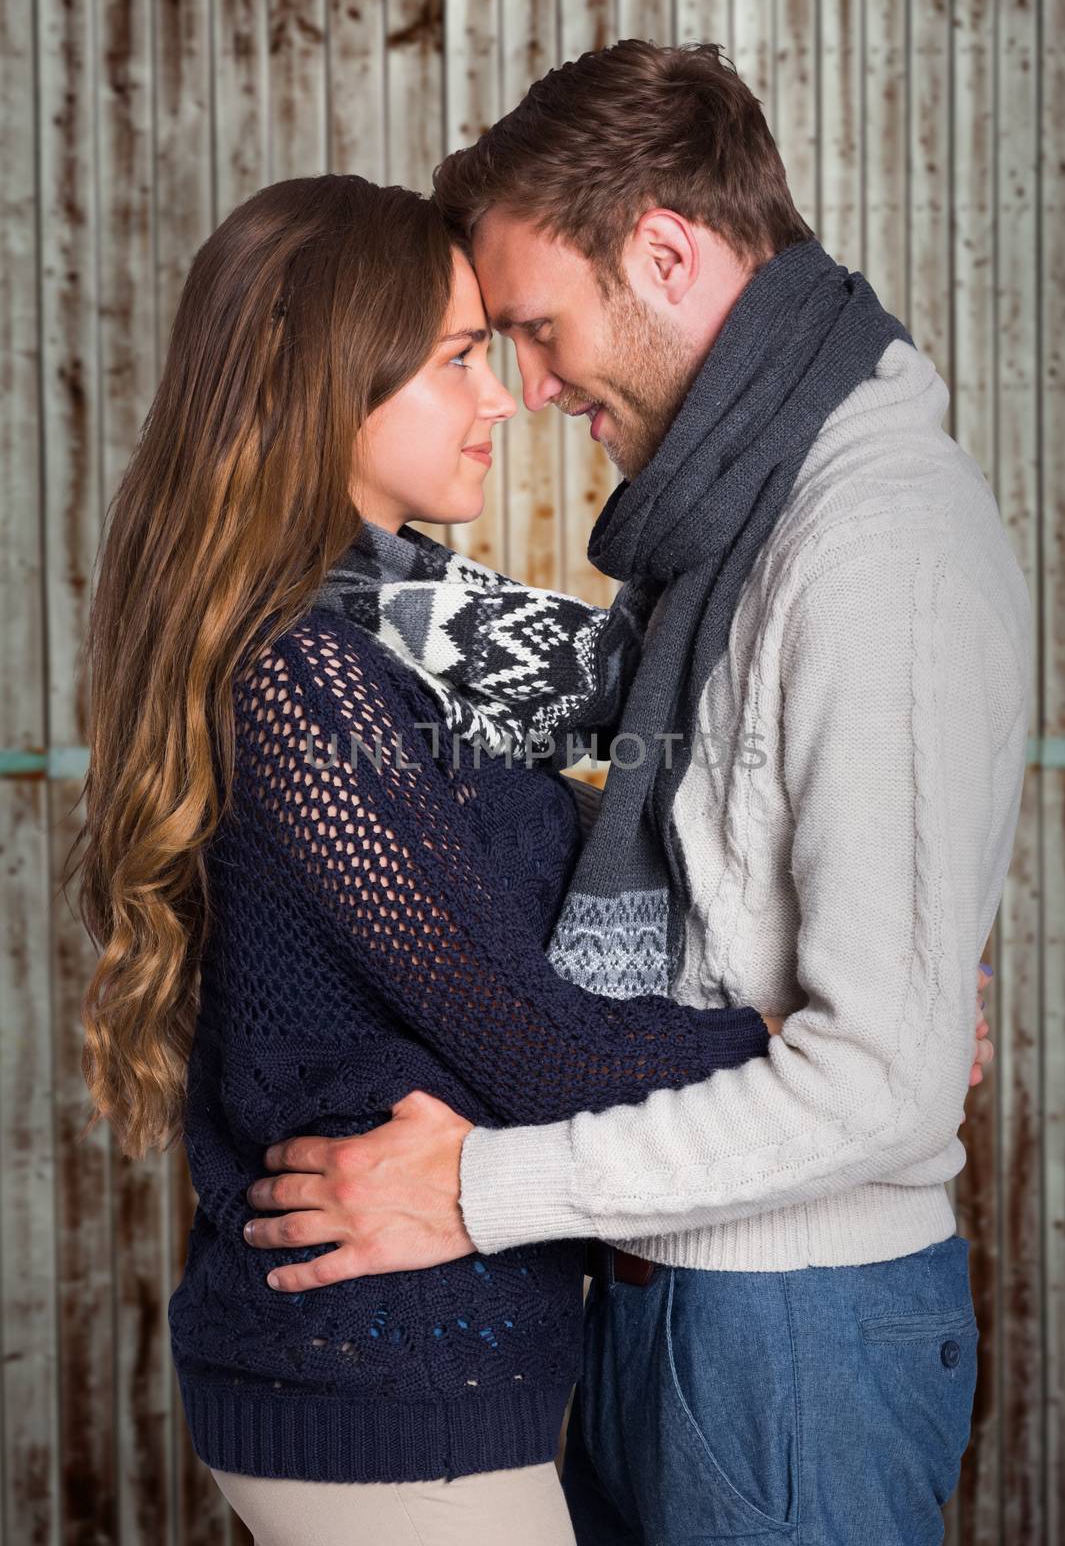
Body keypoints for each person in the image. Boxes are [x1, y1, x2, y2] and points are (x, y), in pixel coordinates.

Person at [242, 42, 1024, 1544]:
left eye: (530, 330)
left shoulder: (872, 553)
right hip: (658, 1298)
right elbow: (641, 844)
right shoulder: (733, 530)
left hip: (787, 1329)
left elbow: (877, 1082)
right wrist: (810, 1018)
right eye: (476, 352)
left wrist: (474, 1191)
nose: (527, 391)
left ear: (663, 251)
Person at [67, 168, 845, 1546]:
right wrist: (799, 1046)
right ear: (320, 385)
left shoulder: (405, 626)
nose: (500, 399)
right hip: (377, 1393)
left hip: (433, 1377)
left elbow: (647, 677)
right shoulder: (306, 676)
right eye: (452, 361)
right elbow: (530, 1047)